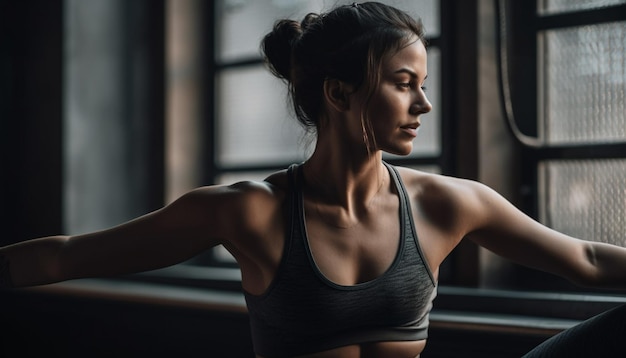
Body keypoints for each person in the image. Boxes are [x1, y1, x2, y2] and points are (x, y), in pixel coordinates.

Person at [1, 2, 625, 357]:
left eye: (423, 86)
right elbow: (65, 256)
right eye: (404, 84)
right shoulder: (251, 213)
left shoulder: (443, 204)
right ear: (339, 92)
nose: (423, 106)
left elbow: (589, 259)